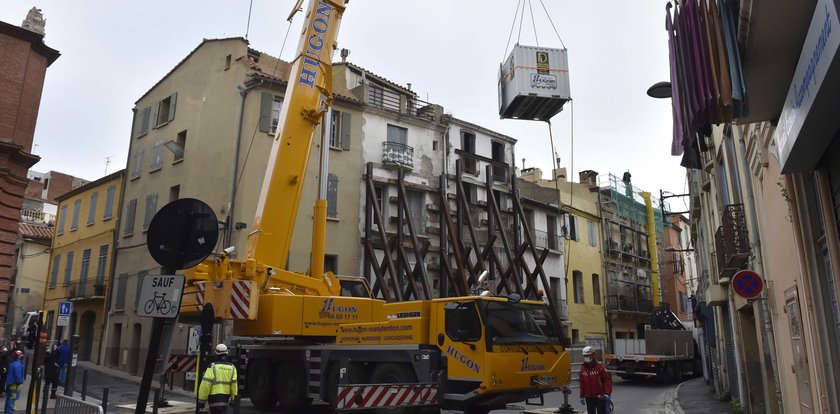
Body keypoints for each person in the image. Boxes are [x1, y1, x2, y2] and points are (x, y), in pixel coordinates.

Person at [198, 344, 238, 414]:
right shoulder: (232, 367)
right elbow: (234, 385)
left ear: (216, 354)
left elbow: (205, 385)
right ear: (226, 353)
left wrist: (202, 400)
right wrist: (233, 398)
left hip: (214, 399)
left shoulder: (212, 366)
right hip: (226, 399)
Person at [579, 346, 612, 414]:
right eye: (585, 356)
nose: (586, 357)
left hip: (600, 396)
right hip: (589, 397)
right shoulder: (582, 368)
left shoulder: (599, 367)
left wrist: (607, 393)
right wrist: (582, 395)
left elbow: (607, 380)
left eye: (588, 355)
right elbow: (582, 383)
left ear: (593, 355)